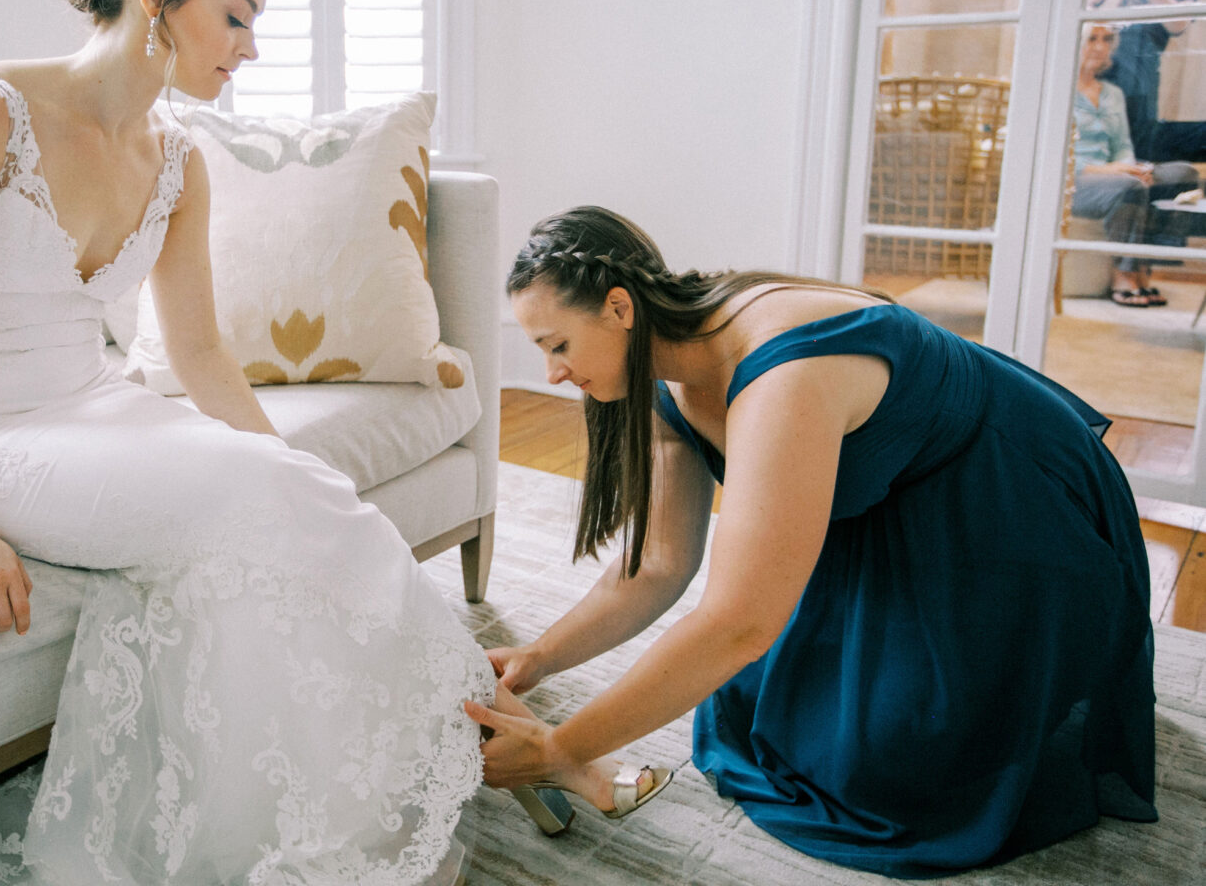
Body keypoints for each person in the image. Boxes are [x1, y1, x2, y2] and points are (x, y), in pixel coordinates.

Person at [0, 0, 494, 885]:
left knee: (299, 494)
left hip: (94, 411)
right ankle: (485, 734)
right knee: (255, 497)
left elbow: (197, 355)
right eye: (236, 16)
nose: (250, 47)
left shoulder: (179, 160)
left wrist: (294, 478)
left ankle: (451, 729)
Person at [463, 206, 1157, 879]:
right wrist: (540, 655)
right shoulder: (661, 380)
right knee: (761, 718)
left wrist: (560, 748)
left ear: (619, 308)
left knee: (900, 779)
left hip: (1002, 501)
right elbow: (660, 565)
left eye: (557, 345)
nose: (553, 372)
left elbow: (739, 624)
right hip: (887, 504)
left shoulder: (782, 376)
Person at [1071, 23, 1201, 306]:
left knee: (1183, 174)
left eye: (1106, 39)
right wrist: (1116, 171)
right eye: (1092, 39)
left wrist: (1132, 167)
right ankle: (1125, 272)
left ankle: (1146, 263)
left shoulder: (1111, 93)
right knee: (1128, 186)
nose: (1100, 46)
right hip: (1076, 180)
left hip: (1114, 174)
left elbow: (1122, 145)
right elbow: (1058, 157)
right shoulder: (1060, 92)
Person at [1089, 0, 1205, 163]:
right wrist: (1096, 0)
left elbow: (1178, 25)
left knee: (1134, 144)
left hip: (1139, 86)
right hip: (1096, 76)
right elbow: (1086, 28)